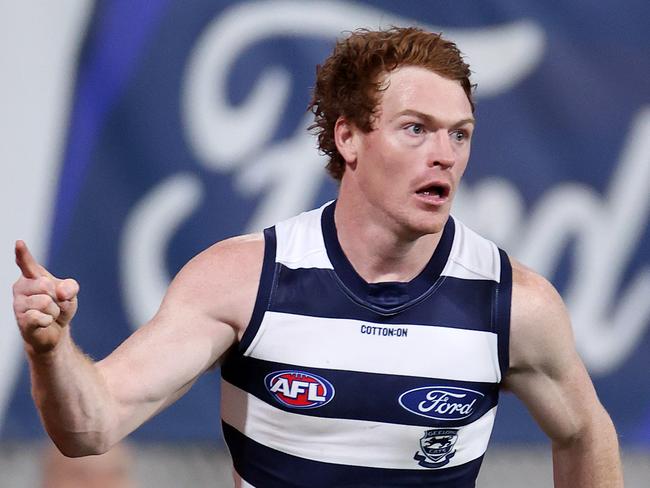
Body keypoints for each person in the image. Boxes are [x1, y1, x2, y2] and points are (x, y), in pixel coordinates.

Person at [13, 27, 622, 487]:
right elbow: (89, 429)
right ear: (348, 136)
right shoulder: (243, 280)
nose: (444, 154)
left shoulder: (513, 303)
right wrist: (50, 351)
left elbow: (585, 432)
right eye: (416, 128)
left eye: (458, 133)